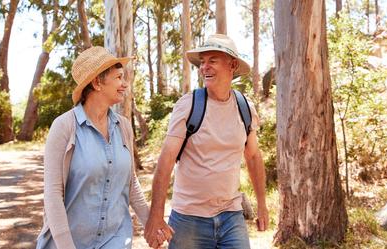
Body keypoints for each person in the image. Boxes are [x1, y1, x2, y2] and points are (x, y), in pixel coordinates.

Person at [36, 46, 173, 249]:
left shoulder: (124, 126)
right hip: (69, 242)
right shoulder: (64, 126)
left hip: (115, 240)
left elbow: (131, 183)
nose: (124, 84)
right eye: (118, 77)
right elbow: (53, 195)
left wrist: (151, 225)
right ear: (97, 82)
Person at [144, 34, 269, 249]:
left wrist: (262, 205)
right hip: (188, 219)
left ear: (232, 65)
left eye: (212, 60)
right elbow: (166, 160)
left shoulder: (245, 107)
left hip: (231, 215)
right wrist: (156, 215)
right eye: (202, 62)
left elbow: (254, 156)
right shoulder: (189, 105)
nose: (204, 67)